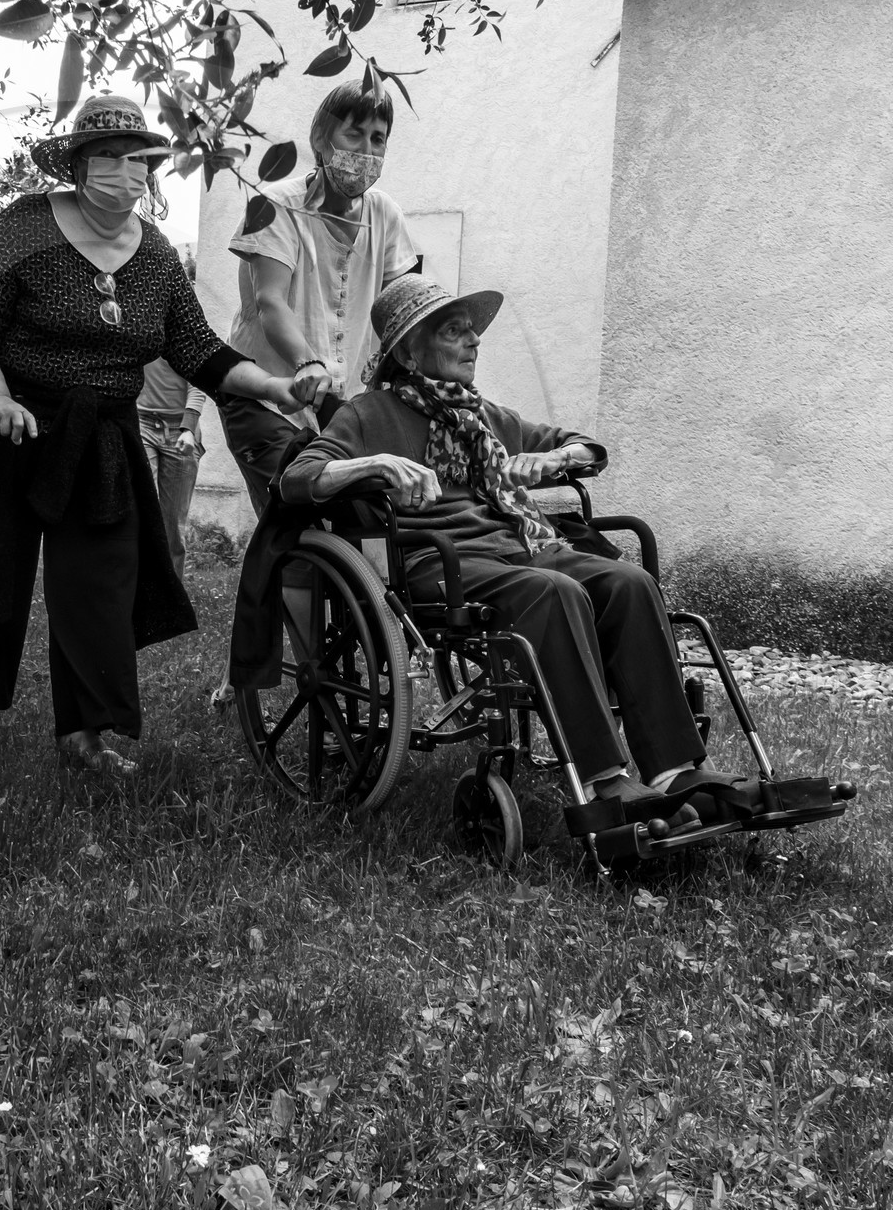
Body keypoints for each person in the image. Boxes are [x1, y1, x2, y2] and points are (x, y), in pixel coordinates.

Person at [0, 94, 310, 775]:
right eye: (107, 156)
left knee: (100, 581)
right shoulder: (24, 228)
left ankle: (85, 734)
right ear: (80, 163)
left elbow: (198, 347)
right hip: (6, 423)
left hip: (99, 434)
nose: (124, 171)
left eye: (136, 158)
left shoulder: (155, 256)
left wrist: (275, 386)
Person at [275, 274, 742, 818]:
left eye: (473, 331)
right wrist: (373, 463)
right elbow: (296, 479)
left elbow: (586, 446)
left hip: (520, 547)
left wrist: (556, 460)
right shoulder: (367, 414)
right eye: (455, 331)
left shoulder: (487, 418)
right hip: (440, 564)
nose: (474, 341)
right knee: (553, 591)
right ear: (407, 350)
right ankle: (603, 782)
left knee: (628, 582)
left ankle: (675, 771)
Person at [221, 78, 419, 515]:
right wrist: (307, 363)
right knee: (294, 518)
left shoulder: (385, 212)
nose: (366, 150)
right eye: (354, 133)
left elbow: (401, 306)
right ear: (321, 139)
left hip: (342, 406)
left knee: (358, 520)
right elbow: (271, 301)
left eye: (378, 138)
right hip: (269, 398)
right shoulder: (276, 205)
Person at [138, 344, 207, 579]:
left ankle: (170, 596)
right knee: (141, 510)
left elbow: (199, 381)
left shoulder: (183, 327)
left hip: (181, 429)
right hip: (141, 423)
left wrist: (189, 428)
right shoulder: (138, 322)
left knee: (173, 525)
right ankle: (138, 591)